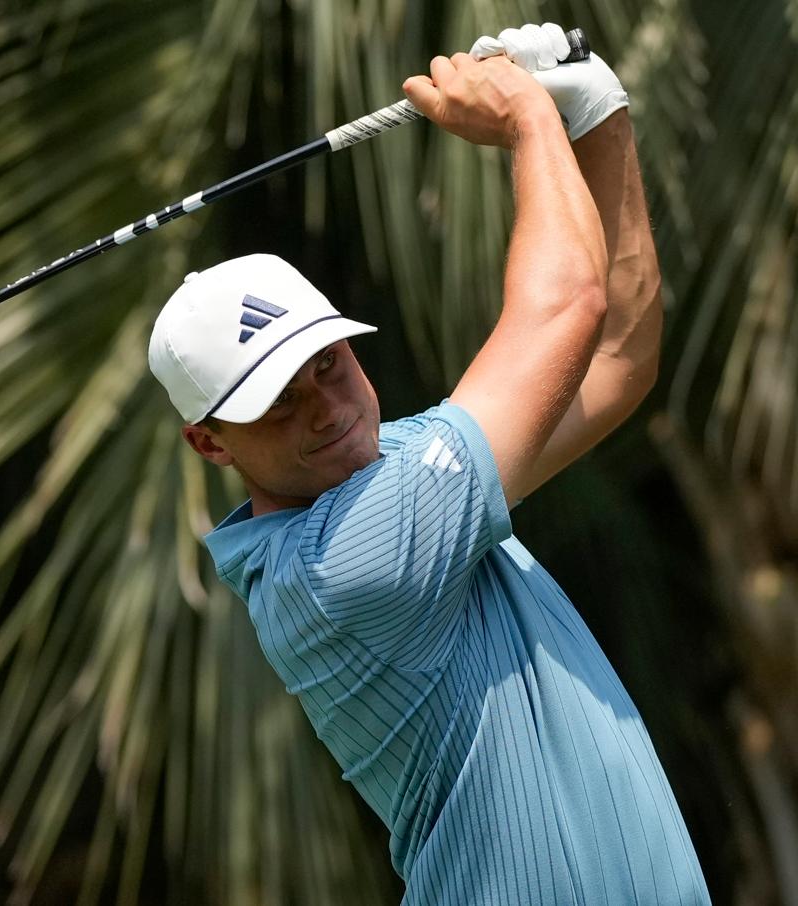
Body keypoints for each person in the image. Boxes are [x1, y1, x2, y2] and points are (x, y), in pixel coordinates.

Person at [147, 23, 710, 905]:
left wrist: (599, 112)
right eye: (274, 401)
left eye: (326, 364)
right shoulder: (346, 564)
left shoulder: (403, 470)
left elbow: (612, 364)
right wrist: (529, 115)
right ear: (210, 441)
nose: (325, 408)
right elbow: (569, 305)